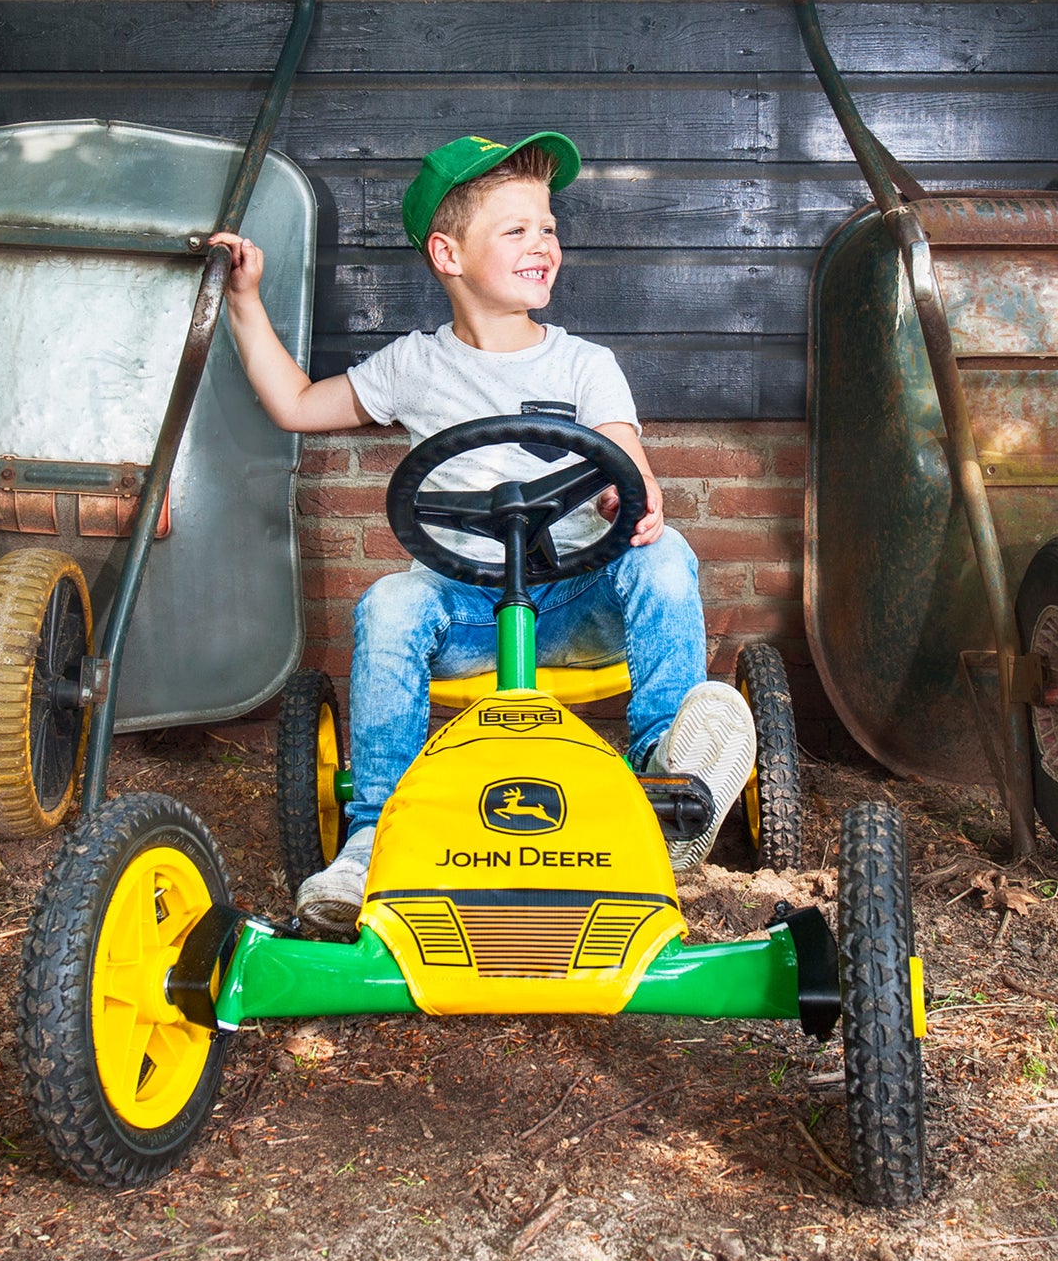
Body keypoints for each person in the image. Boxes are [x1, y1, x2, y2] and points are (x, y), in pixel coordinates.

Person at [213, 130, 756, 935]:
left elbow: (628, 466)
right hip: (463, 610)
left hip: (577, 602)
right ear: (448, 253)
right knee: (391, 600)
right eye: (516, 230)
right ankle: (371, 838)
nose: (542, 244)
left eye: (547, 227)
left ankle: (666, 788)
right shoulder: (412, 366)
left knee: (665, 556)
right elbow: (295, 404)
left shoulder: (584, 364)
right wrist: (244, 300)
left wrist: (624, 499)